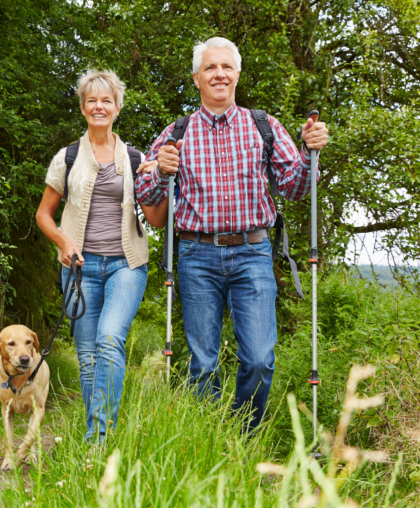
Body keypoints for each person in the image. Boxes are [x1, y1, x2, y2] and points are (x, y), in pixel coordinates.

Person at [136, 37, 329, 431]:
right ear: (196, 79)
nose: (219, 74)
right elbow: (147, 197)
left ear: (237, 74)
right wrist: (160, 171)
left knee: (259, 359)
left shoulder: (264, 126)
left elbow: (294, 187)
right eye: (210, 68)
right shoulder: (176, 132)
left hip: (253, 253)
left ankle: (243, 435)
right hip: (195, 255)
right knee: (202, 364)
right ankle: (210, 443)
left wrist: (311, 153)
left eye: (226, 67)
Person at [36, 69, 166, 443]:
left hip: (127, 265)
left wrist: (162, 182)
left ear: (117, 107)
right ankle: (99, 439)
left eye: (106, 100)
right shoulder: (68, 157)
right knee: (89, 358)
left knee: (110, 340)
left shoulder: (137, 158)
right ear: (82, 107)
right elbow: (44, 214)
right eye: (91, 100)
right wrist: (63, 242)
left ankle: (99, 437)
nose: (99, 106)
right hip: (80, 269)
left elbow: (155, 219)